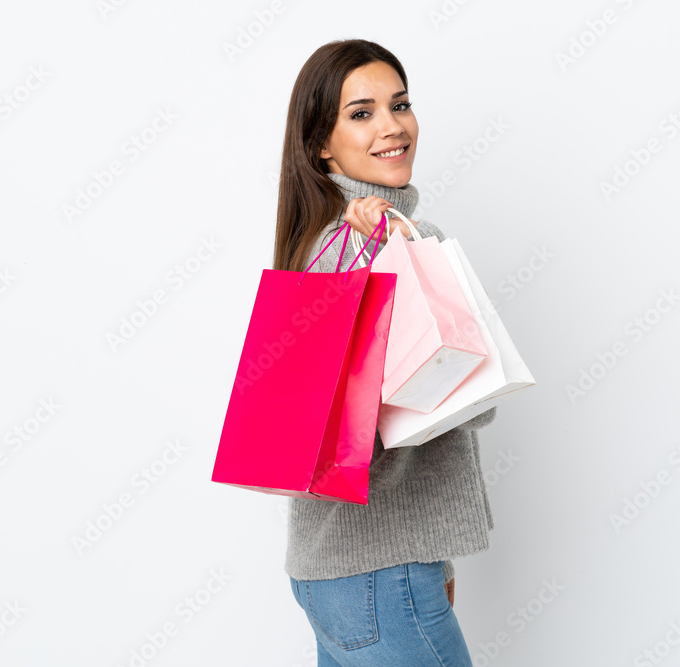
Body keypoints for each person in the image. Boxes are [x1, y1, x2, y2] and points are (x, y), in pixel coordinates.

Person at [275, 38, 497, 666]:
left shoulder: (332, 244)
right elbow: (470, 406)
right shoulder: (364, 248)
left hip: (351, 572)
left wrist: (437, 561)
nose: (392, 126)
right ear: (321, 143)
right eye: (362, 113)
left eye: (399, 104)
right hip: (379, 574)